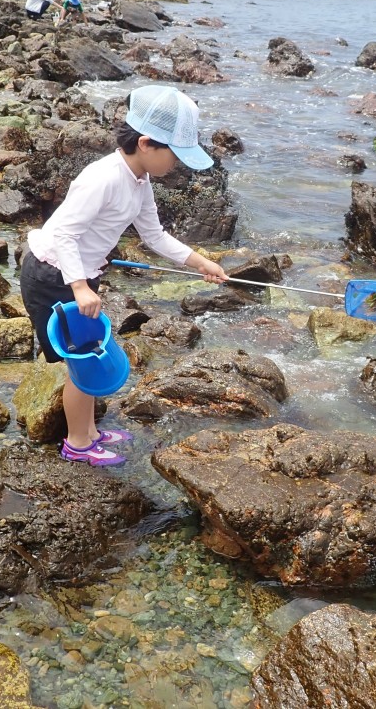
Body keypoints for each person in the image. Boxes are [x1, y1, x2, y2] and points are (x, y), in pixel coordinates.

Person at [21, 86, 227, 466]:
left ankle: (91, 432)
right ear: (146, 143)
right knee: (81, 362)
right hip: (55, 275)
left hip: (81, 275)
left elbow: (154, 235)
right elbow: (63, 233)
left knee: (89, 356)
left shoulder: (139, 180)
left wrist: (200, 262)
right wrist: (80, 288)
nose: (176, 165)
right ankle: (78, 444)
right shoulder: (103, 177)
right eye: (174, 155)